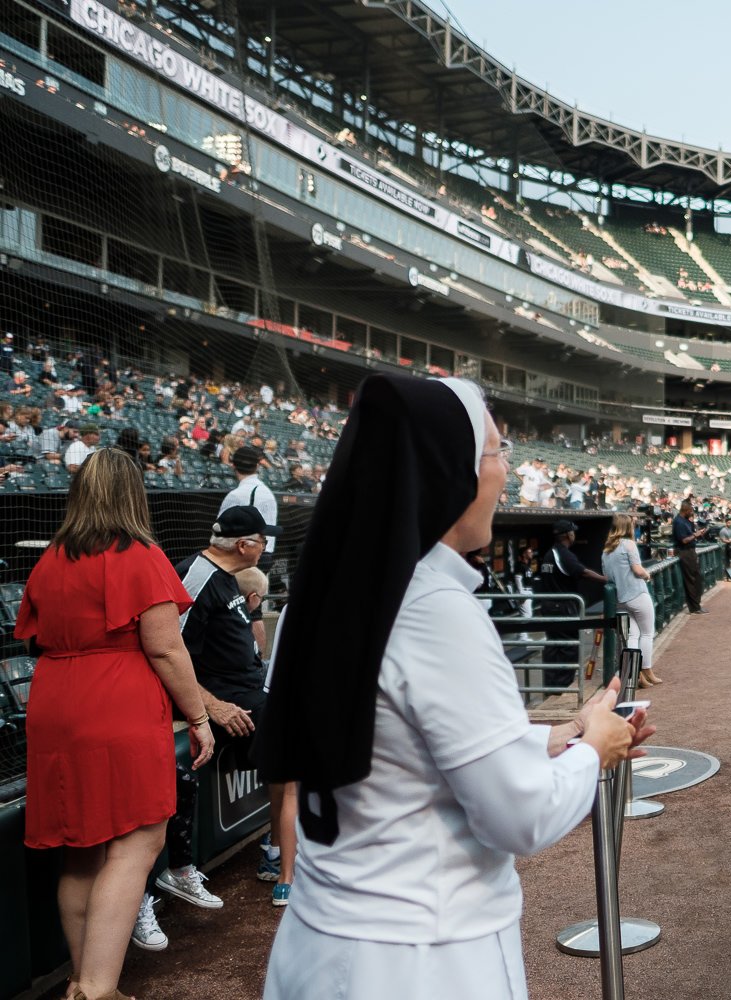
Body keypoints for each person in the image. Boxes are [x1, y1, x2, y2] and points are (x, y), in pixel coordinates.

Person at [258, 375, 649, 999]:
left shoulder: (340, 588)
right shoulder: (435, 608)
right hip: (421, 959)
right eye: (495, 452)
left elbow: (395, 749)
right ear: (448, 472)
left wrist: (552, 738)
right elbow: (521, 817)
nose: (504, 471)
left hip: (318, 940)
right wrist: (593, 750)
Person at [16, 448, 214, 1000]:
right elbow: (166, 650)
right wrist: (199, 715)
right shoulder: (140, 552)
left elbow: (35, 636)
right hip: (116, 702)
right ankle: (100, 989)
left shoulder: (51, 556)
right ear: (133, 493)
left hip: (55, 699)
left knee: (81, 848)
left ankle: (82, 983)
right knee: (137, 842)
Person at [163, 506, 284, 909]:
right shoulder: (198, 574)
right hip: (220, 697)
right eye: (263, 539)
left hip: (245, 686)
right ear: (245, 544)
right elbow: (169, 650)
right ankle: (280, 848)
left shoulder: (226, 577)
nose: (266, 545)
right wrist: (209, 706)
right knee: (292, 737)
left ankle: (283, 839)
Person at [535, 519, 608, 689]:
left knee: (555, 646)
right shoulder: (562, 553)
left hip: (551, 606)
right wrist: (605, 579)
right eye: (573, 532)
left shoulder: (550, 552)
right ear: (568, 534)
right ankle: (561, 686)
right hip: (560, 607)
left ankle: (553, 686)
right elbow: (582, 572)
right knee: (567, 647)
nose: (574, 534)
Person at [602, 512, 660, 687]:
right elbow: (637, 569)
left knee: (632, 636)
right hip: (637, 594)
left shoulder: (606, 550)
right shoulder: (628, 544)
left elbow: (606, 576)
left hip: (619, 598)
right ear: (628, 527)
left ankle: (635, 675)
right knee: (647, 633)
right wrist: (647, 575)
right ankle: (646, 669)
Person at [220, 444, 279, 575]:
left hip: (244, 557)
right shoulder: (268, 492)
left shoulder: (235, 495)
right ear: (257, 466)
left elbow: (220, 532)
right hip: (265, 556)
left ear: (233, 465)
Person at [672, 498, 709, 614]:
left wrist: (699, 533)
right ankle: (694, 607)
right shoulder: (678, 521)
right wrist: (695, 535)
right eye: (691, 510)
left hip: (691, 551)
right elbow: (684, 540)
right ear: (686, 509)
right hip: (685, 552)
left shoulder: (687, 521)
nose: (692, 512)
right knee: (691, 580)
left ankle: (696, 605)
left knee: (697, 578)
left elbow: (691, 534)